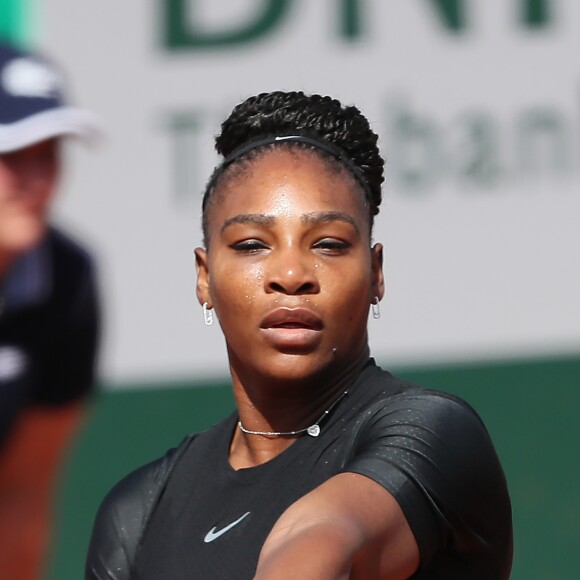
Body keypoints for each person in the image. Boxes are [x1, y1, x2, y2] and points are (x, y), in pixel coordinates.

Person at [86, 91, 512, 579]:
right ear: (205, 277)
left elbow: (320, 540)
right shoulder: (136, 512)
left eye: (329, 244)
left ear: (375, 273)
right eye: (251, 245)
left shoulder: (436, 433)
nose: (290, 274)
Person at [0, 40, 101, 580]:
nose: (34, 180)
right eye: (11, 155)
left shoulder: (69, 280)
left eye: (47, 153)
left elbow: (21, 495)